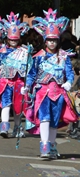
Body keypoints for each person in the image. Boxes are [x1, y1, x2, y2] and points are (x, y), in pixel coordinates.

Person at [24, 9, 77, 159]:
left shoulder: (64, 56)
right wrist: (27, 85)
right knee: (45, 118)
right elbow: (32, 74)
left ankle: (52, 145)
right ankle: (44, 145)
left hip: (59, 93)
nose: (52, 43)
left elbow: (70, 73)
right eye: (49, 40)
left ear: (58, 41)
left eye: (54, 40)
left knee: (54, 120)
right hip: (42, 92)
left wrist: (68, 82)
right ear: (45, 40)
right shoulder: (38, 57)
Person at [0, 13, 32, 138]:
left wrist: (28, 84)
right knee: (6, 104)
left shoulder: (24, 51)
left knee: (18, 108)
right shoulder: (2, 52)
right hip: (5, 82)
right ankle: (4, 127)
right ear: (7, 39)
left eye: (15, 40)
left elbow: (30, 69)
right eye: (11, 39)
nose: (13, 42)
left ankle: (17, 128)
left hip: (19, 83)